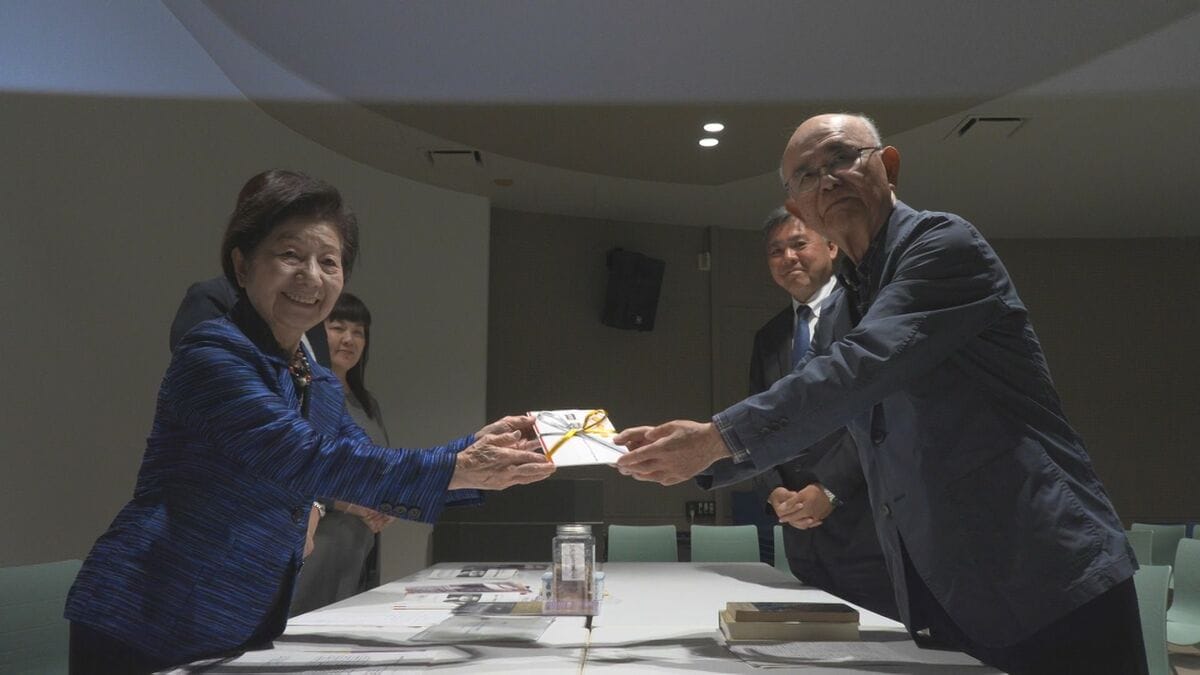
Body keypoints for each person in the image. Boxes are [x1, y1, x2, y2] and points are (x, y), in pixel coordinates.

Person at [615, 114, 1144, 674]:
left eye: (842, 158)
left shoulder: (943, 245)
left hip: (1043, 570)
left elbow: (855, 370)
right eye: (806, 176)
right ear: (799, 207)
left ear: (888, 166)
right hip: (953, 584)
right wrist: (699, 455)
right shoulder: (848, 300)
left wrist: (713, 441)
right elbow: (814, 408)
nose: (827, 180)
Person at [64, 169, 555, 673]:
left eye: (329, 261)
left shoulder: (312, 375)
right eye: (290, 255)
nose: (312, 276)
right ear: (242, 264)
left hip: (234, 621)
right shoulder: (212, 354)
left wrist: (476, 451)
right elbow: (306, 458)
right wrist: (460, 465)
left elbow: (361, 460)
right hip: (147, 616)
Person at [749, 206, 898, 620]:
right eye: (776, 251)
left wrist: (829, 489)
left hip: (867, 523)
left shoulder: (868, 312)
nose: (788, 257)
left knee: (882, 644)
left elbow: (880, 411)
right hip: (800, 533)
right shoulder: (768, 336)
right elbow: (759, 422)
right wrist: (773, 491)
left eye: (799, 244)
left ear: (832, 247)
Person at [290, 292, 399, 616]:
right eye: (337, 328)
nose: (349, 339)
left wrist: (388, 502)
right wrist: (349, 503)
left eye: (359, 332)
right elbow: (297, 468)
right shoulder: (303, 394)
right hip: (320, 537)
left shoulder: (366, 403)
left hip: (362, 541)